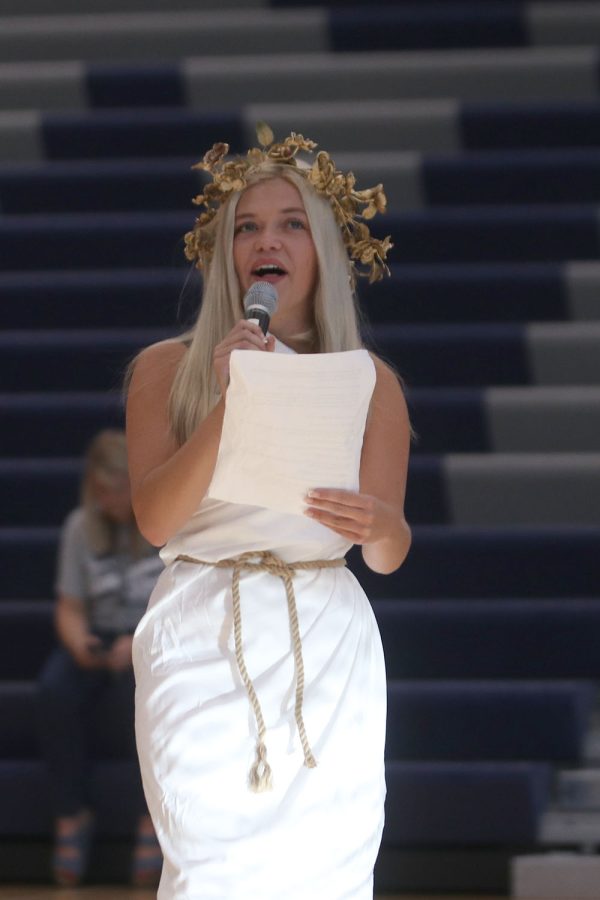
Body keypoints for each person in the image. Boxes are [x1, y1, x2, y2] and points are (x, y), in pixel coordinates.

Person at [126, 126, 412, 899]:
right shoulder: (165, 370)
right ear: (227, 254)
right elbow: (154, 520)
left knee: (328, 873)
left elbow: (389, 550)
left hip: (327, 634)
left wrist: (380, 526)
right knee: (212, 867)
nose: (266, 239)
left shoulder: (369, 380)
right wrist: (235, 399)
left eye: (289, 224)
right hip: (202, 629)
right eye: (247, 226)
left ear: (320, 249)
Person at [37, 429, 164, 887]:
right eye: (104, 490)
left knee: (148, 697)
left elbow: (178, 601)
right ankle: (71, 815)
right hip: (98, 636)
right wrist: (80, 644)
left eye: (120, 489)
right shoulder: (79, 527)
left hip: (152, 637)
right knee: (55, 690)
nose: (112, 499)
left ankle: (153, 818)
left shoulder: (161, 523)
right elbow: (69, 606)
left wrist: (137, 642)